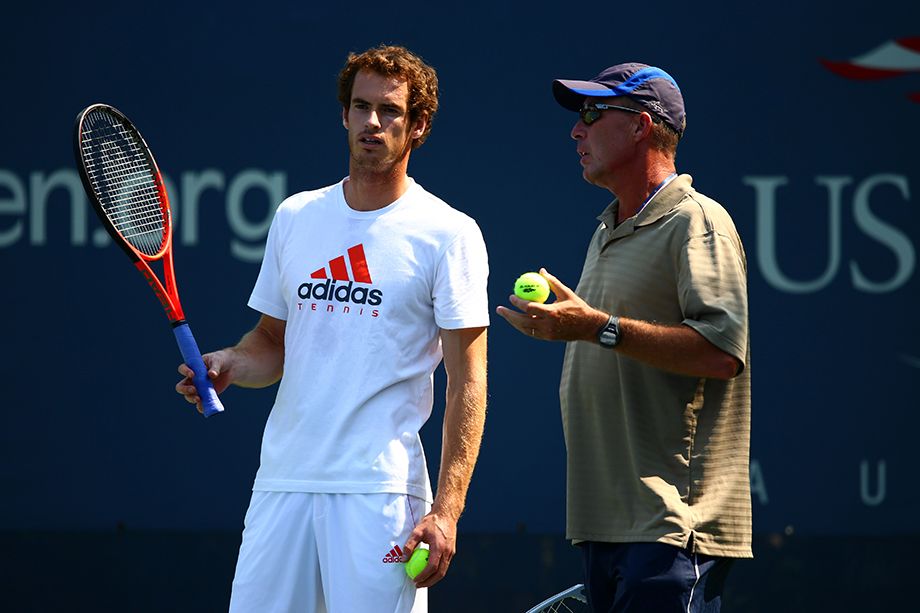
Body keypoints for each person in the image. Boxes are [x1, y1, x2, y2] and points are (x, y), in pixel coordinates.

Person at [176, 45, 489, 612]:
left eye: (390, 111)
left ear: (418, 125)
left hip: (381, 494)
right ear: (344, 115)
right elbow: (272, 342)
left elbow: (468, 382)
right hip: (284, 482)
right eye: (360, 106)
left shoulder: (450, 233)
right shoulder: (296, 216)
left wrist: (446, 511)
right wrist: (228, 364)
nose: (372, 122)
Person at [497, 63, 752, 612]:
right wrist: (579, 330)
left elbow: (720, 353)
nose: (576, 130)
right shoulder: (607, 229)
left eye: (591, 113)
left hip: (672, 528)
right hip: (608, 523)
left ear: (640, 125)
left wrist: (597, 327)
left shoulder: (697, 222)